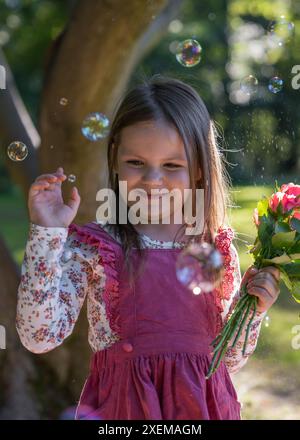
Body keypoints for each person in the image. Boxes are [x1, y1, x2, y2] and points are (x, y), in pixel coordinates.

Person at [16, 75, 280, 420]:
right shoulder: (95, 248)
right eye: (136, 163)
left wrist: (254, 311)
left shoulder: (215, 248)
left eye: (172, 165)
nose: (153, 180)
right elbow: (39, 336)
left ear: (200, 168)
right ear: (114, 158)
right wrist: (47, 233)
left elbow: (227, 361)